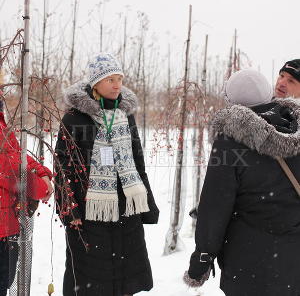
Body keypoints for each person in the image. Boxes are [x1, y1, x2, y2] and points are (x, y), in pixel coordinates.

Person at [184, 69, 300, 296]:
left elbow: (215, 207)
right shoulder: (294, 130)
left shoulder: (230, 141)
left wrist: (201, 260)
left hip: (248, 264)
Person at [55, 53, 159, 296]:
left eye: (119, 79)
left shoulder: (126, 116)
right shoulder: (74, 118)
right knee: (92, 283)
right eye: (109, 79)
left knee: (124, 282)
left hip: (125, 212)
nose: (116, 85)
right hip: (90, 212)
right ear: (95, 83)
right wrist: (70, 211)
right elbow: (63, 169)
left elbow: (137, 160)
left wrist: (147, 204)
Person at [0, 99, 53, 296]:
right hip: (2, 228)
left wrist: (42, 173)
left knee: (5, 281)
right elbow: (9, 170)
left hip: (6, 226)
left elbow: (16, 155)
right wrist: (40, 186)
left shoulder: (2, 125)